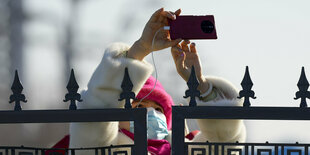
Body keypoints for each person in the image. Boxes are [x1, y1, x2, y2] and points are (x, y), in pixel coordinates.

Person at [51, 8, 246, 155]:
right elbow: (96, 112)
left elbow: (226, 142)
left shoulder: (186, 147)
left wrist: (201, 86)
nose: (150, 113)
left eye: (158, 109)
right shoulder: (102, 147)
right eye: (139, 106)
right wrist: (141, 48)